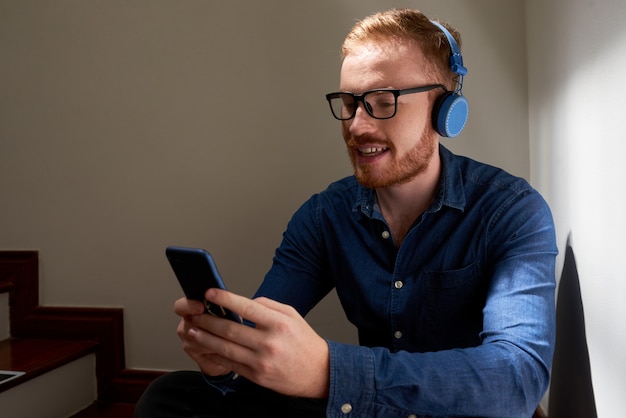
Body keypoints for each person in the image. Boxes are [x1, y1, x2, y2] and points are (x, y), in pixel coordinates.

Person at [135, 8, 557, 418]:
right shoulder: (324, 217)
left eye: (381, 101)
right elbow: (265, 338)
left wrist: (329, 372)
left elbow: (516, 380)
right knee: (172, 396)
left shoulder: (512, 211)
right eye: (349, 102)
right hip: (359, 408)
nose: (356, 125)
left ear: (445, 109)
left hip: (461, 411)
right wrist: (228, 359)